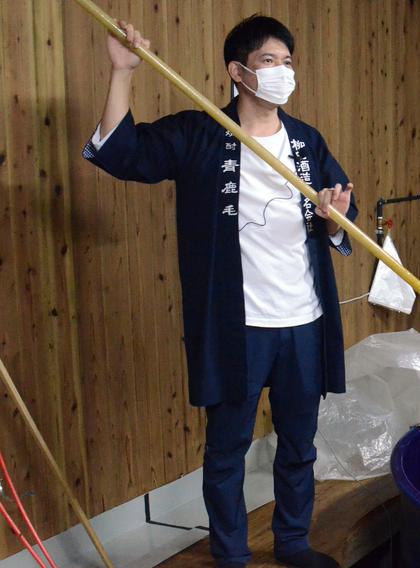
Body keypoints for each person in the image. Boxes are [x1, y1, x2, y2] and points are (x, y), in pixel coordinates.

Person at [84, 15, 356, 568]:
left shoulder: (306, 142)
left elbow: (332, 220)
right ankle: (230, 554)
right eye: (269, 62)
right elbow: (122, 153)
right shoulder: (203, 130)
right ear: (238, 71)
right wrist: (121, 74)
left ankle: (293, 541)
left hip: (302, 319)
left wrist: (335, 219)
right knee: (228, 448)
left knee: (299, 443)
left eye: (287, 61)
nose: (283, 72)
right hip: (239, 327)